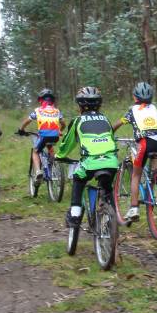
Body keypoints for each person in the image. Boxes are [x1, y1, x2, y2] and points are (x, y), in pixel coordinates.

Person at [56, 86, 119, 227]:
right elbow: (111, 139)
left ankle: (75, 214)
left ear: (80, 105)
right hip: (111, 162)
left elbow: (67, 143)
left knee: (78, 180)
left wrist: (59, 155)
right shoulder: (106, 119)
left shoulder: (78, 121)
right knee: (107, 187)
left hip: (90, 162)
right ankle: (111, 215)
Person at [111, 82, 157, 224]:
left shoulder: (132, 110)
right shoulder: (155, 109)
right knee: (154, 161)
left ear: (135, 97)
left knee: (136, 174)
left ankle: (134, 208)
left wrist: (110, 132)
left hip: (144, 142)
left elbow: (119, 123)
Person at [17, 88, 65, 182]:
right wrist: (59, 130)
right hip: (55, 136)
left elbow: (28, 121)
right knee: (51, 150)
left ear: (41, 100)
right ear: (52, 100)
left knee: (35, 152)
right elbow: (63, 124)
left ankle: (38, 171)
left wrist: (21, 129)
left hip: (43, 136)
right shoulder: (57, 111)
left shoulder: (38, 110)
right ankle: (52, 167)